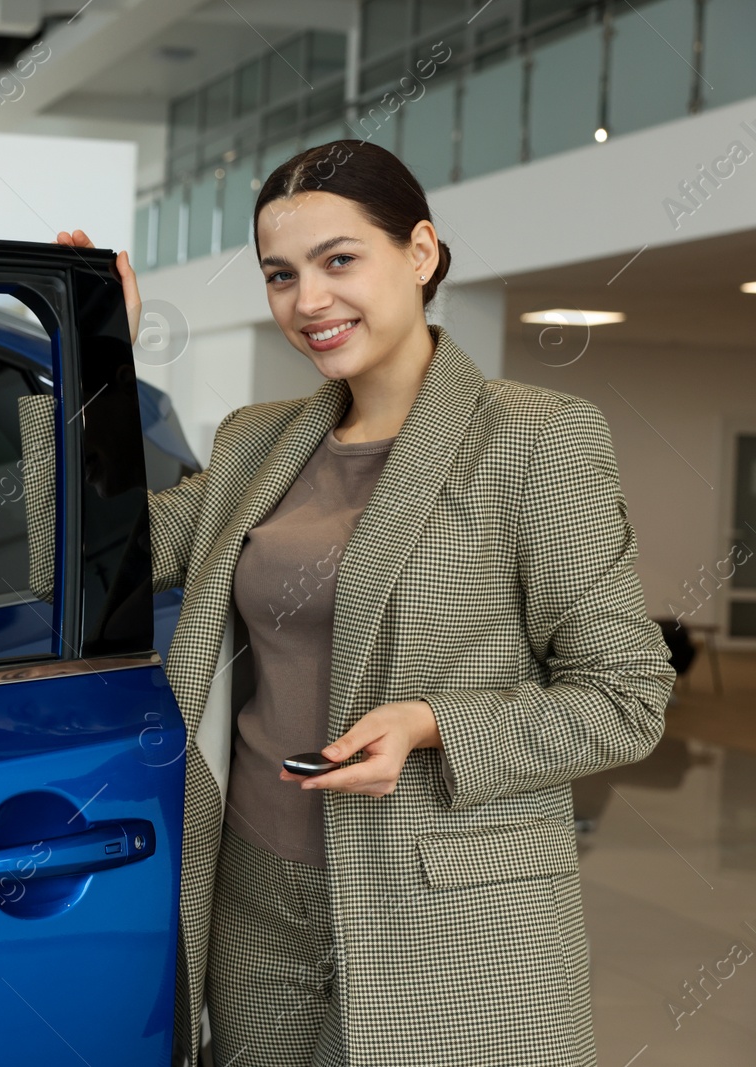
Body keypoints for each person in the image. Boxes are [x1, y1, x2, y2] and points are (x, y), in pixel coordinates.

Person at [54, 139, 675, 1067]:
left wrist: (433, 726)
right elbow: (89, 557)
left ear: (419, 253)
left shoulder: (535, 438)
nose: (309, 301)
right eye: (280, 273)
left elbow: (627, 699)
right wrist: (98, 360)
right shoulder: (258, 443)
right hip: (256, 894)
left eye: (340, 260)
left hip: (451, 917)